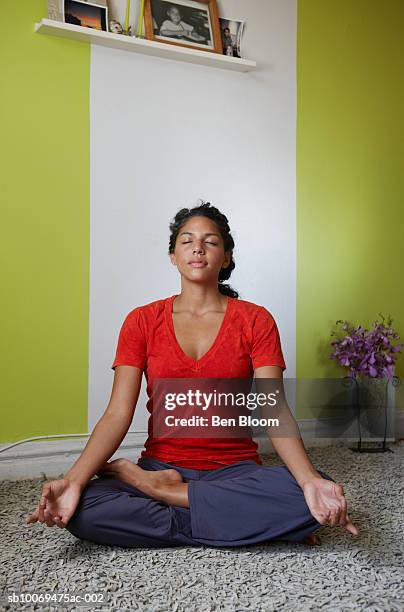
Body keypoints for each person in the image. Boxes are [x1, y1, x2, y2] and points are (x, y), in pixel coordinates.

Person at [25, 202, 359, 548]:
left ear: (226, 257)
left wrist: (307, 482)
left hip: (234, 471)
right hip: (160, 464)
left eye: (210, 242)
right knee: (84, 509)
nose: (198, 248)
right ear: (173, 256)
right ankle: (240, 521)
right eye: (187, 241)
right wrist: (74, 481)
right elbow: (118, 412)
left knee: (315, 486)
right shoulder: (141, 321)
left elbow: (273, 410)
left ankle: (171, 497)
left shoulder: (255, 320)